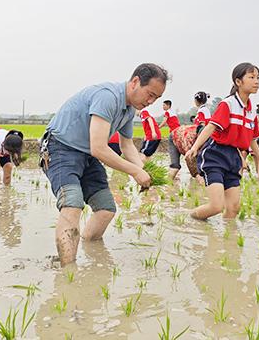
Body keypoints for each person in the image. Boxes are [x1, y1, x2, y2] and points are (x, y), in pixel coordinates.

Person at [41, 63, 168, 266]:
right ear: (135, 82)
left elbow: (126, 145)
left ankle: (88, 253)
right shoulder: (108, 97)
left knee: (106, 209)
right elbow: (99, 148)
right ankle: (68, 272)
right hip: (60, 148)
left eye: (156, 98)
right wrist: (135, 171)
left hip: (85, 154)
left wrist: (144, 171)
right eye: (150, 94)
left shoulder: (129, 109)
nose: (151, 101)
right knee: (72, 202)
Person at [185, 62, 259, 220]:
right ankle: (192, 220)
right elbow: (210, 127)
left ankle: (228, 241)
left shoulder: (252, 112)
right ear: (238, 82)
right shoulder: (228, 104)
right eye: (251, 77)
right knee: (217, 206)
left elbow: (252, 139)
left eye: (258, 77)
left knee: (233, 208)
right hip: (215, 155)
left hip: (234, 157)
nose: (257, 81)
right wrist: (194, 148)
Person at [158, 100, 182, 180]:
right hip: (179, 132)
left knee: (173, 153)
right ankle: (177, 173)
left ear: (168, 105)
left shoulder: (167, 112)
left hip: (174, 133)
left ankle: (173, 172)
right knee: (178, 152)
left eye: (164, 105)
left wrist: (157, 128)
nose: (163, 107)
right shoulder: (173, 113)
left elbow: (164, 122)